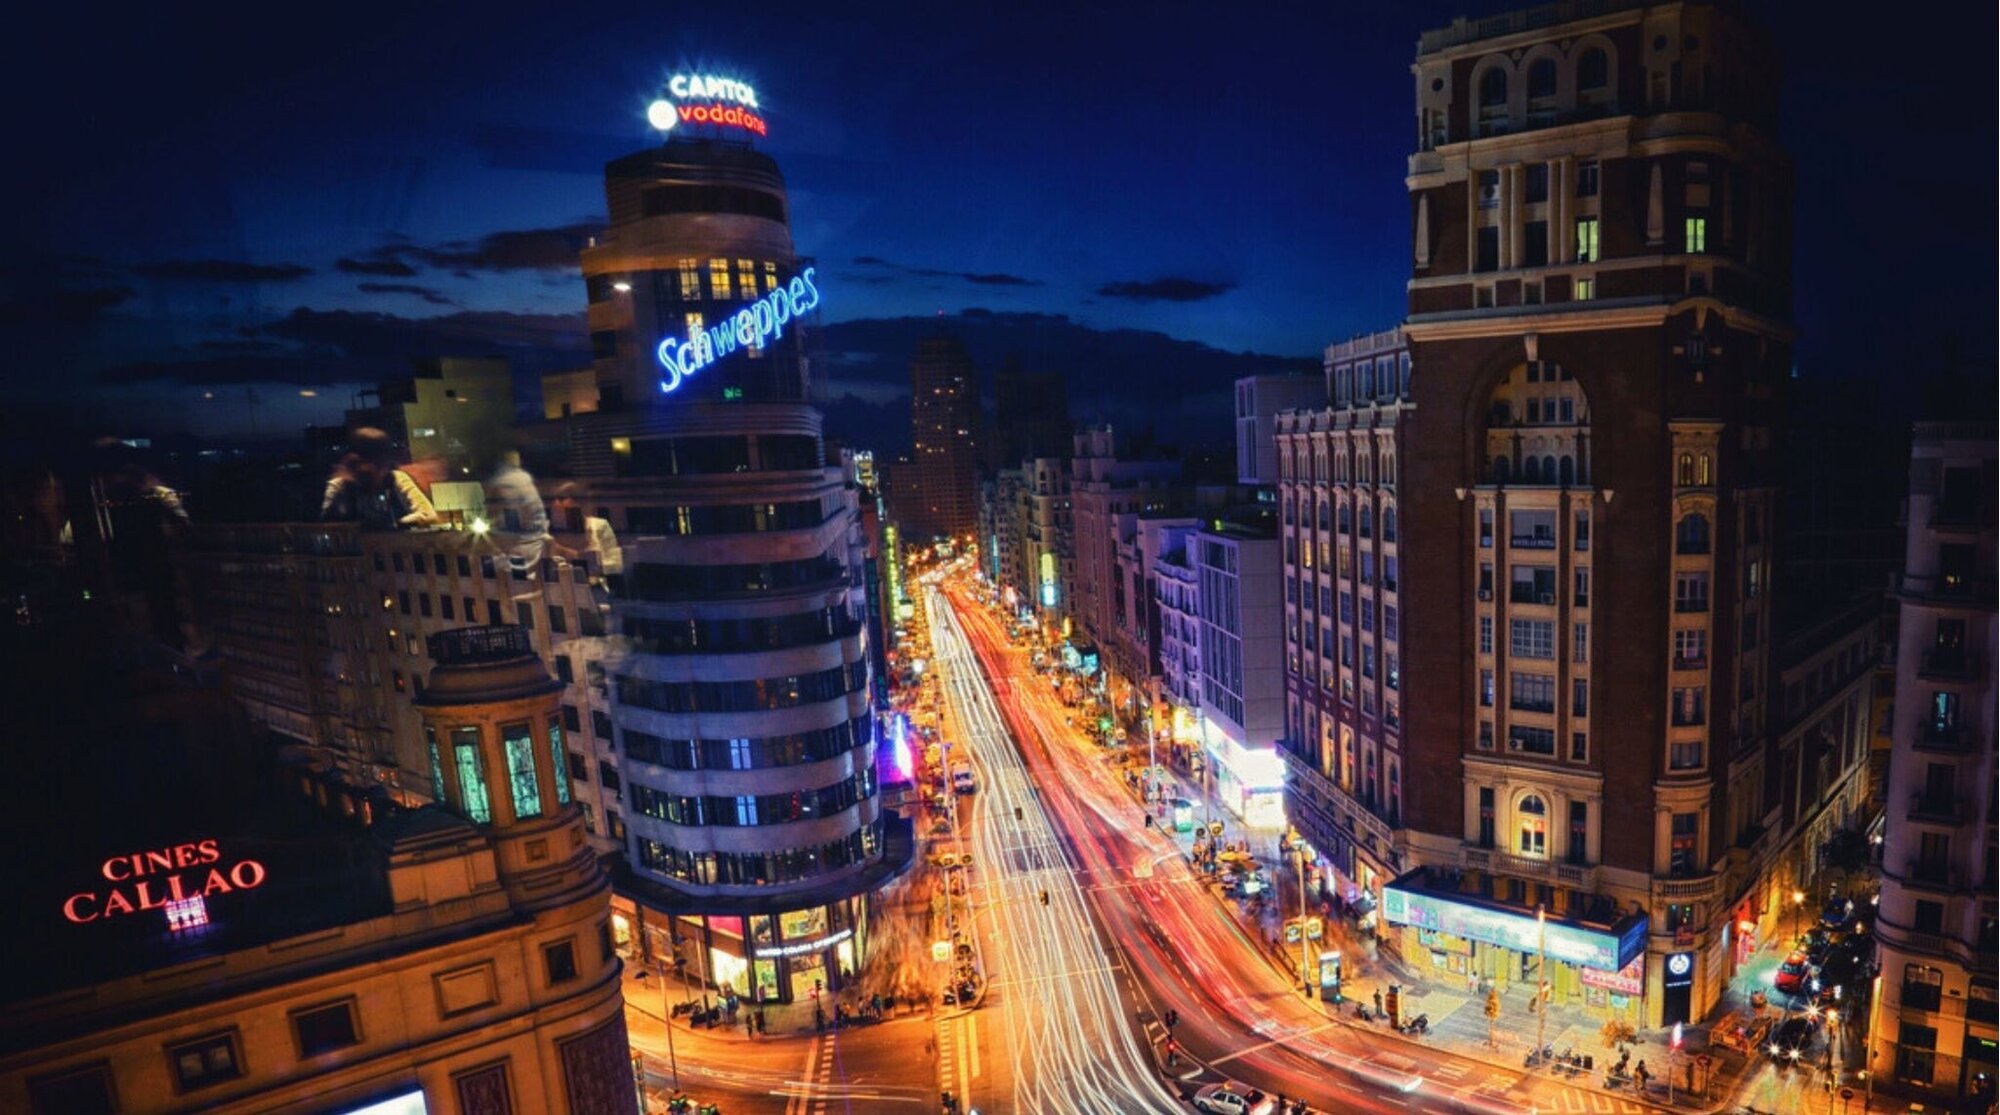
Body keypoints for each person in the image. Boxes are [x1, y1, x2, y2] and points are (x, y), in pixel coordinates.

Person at [321, 427, 438, 530]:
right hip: (358, 553)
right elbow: (329, 526)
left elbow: (429, 515)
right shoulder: (339, 486)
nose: (378, 468)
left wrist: (397, 525)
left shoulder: (398, 479)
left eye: (381, 462)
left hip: (397, 549)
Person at [484, 450, 550, 572]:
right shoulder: (525, 479)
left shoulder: (501, 482)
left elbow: (503, 522)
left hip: (518, 556)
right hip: (536, 549)